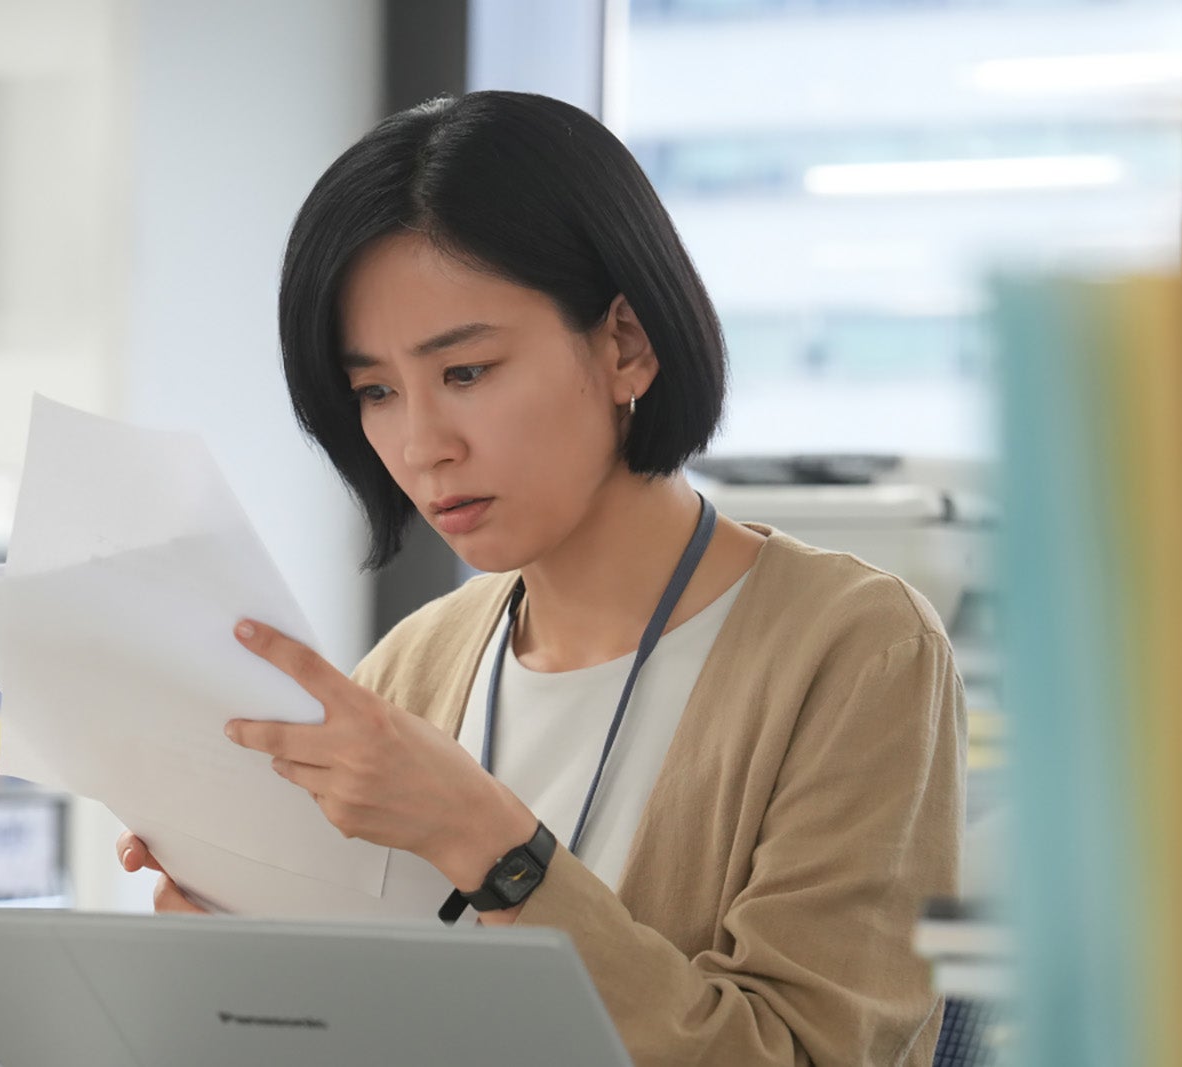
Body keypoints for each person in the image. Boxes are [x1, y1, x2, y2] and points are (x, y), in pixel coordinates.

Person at [117, 90, 965, 1066]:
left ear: (625, 343)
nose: (422, 444)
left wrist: (497, 849)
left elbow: (808, 1054)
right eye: (375, 392)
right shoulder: (417, 662)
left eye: (467, 370)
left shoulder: (856, 649)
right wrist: (252, 976)